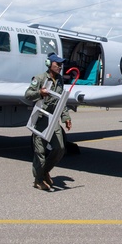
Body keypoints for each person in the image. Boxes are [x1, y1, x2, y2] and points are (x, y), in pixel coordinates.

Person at [25, 53, 73, 190]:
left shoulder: (60, 80)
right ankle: (38, 180)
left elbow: (61, 101)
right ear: (49, 64)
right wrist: (40, 92)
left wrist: (66, 118)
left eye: (61, 64)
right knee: (40, 152)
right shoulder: (39, 78)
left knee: (60, 148)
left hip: (53, 118)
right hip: (41, 119)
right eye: (57, 64)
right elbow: (28, 94)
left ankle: (44, 171)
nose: (60, 66)